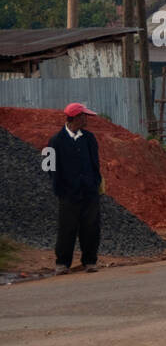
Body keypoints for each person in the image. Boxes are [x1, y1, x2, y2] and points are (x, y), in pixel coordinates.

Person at [47, 102, 103, 274]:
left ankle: (90, 261)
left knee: (91, 227)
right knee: (67, 229)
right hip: (68, 194)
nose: (86, 119)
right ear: (76, 118)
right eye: (84, 116)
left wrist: (95, 184)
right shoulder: (55, 141)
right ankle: (62, 263)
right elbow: (48, 167)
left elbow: (95, 164)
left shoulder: (89, 139)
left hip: (89, 192)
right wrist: (61, 190)